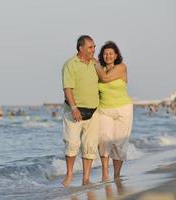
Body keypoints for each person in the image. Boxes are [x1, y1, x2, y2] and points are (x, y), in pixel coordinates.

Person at [61, 35, 99, 186]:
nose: (93, 50)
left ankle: (86, 178)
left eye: (94, 46)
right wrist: (74, 107)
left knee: (90, 145)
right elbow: (67, 88)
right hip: (74, 111)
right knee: (72, 143)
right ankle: (69, 175)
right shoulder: (70, 64)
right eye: (90, 47)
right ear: (80, 48)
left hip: (94, 111)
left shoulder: (95, 64)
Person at [94, 41, 133, 181]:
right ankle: (105, 174)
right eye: (105, 53)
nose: (108, 56)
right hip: (104, 110)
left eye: (111, 53)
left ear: (116, 55)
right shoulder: (99, 69)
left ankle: (116, 175)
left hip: (123, 109)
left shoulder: (121, 67)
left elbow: (105, 78)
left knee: (119, 143)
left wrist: (95, 64)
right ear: (102, 55)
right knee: (103, 141)